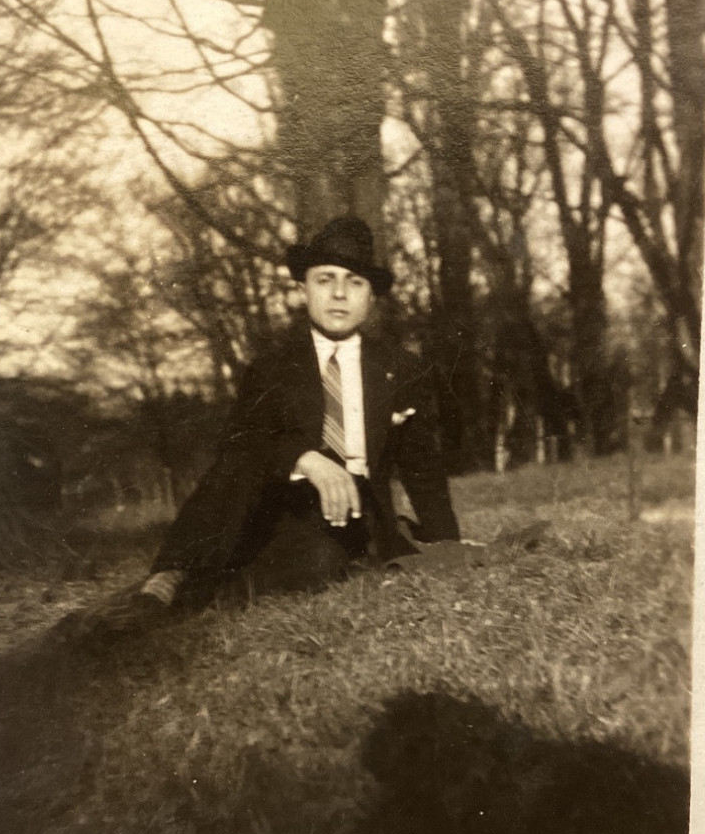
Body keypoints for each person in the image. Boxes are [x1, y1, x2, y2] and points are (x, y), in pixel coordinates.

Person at [100, 216, 460, 632]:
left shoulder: (400, 368)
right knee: (241, 459)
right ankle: (172, 572)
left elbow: (424, 468)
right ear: (302, 288)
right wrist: (306, 458)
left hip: (357, 513)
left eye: (355, 282)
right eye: (325, 279)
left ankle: (210, 591)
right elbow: (240, 447)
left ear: (371, 298)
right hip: (281, 502)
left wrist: (448, 544)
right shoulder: (272, 367)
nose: (340, 293)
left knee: (319, 561)